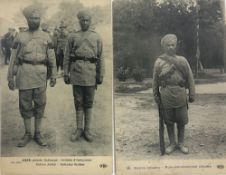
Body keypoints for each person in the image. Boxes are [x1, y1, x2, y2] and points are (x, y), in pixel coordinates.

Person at [7, 4, 57, 147]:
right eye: (32, 18)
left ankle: (38, 133)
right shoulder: (20, 37)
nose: (35, 20)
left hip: (41, 74)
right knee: (25, 104)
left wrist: (53, 74)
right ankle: (27, 133)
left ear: (40, 19)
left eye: (37, 18)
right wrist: (10, 77)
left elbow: (52, 58)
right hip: (24, 73)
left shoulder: (46, 37)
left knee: (40, 104)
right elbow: (13, 58)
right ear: (27, 20)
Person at [63, 10, 104, 142]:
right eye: (82, 20)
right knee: (78, 101)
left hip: (91, 73)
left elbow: (101, 57)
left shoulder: (96, 36)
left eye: (87, 20)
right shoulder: (72, 36)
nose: (85, 22)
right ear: (79, 21)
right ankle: (79, 129)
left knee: (89, 102)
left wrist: (100, 74)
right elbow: (67, 56)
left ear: (90, 21)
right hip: (77, 72)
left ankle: (87, 130)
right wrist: (65, 72)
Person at [153, 34, 195, 154]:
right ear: (164, 47)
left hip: (180, 94)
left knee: (181, 121)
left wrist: (192, 94)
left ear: (176, 46)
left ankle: (181, 143)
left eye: (173, 45)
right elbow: (155, 80)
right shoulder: (159, 62)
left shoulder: (182, 60)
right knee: (169, 121)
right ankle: (172, 143)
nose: (170, 47)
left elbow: (190, 78)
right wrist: (156, 96)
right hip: (166, 95)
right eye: (168, 45)